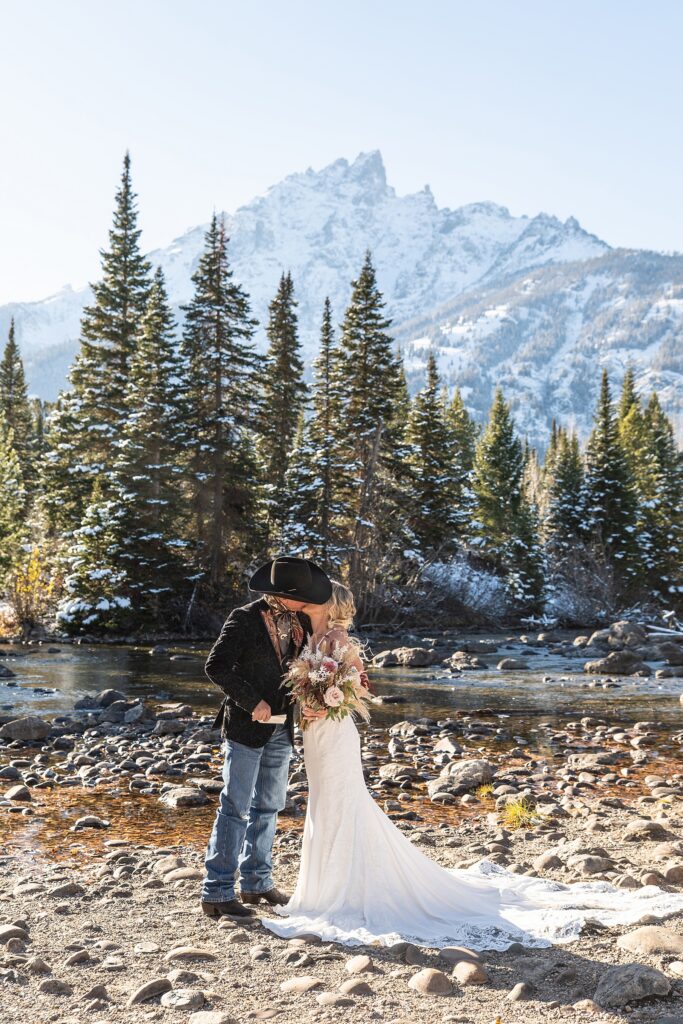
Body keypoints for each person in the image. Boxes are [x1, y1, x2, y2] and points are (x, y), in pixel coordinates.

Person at [262, 580, 683, 949]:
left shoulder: (338, 640)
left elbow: (360, 686)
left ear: (328, 604)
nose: (306, 598)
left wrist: (328, 701)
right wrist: (308, 700)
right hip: (315, 733)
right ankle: (324, 887)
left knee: (342, 804)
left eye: (314, 596)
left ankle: (345, 892)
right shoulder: (307, 634)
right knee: (324, 804)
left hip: (334, 731)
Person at [200, 555, 332, 919]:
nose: (307, 601)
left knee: (270, 806)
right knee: (235, 807)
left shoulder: (301, 622)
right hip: (245, 726)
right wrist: (252, 701)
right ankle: (216, 892)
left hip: (282, 727)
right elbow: (216, 667)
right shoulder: (243, 618)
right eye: (301, 595)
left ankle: (257, 883)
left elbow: (303, 674)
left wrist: (311, 703)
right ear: (283, 594)